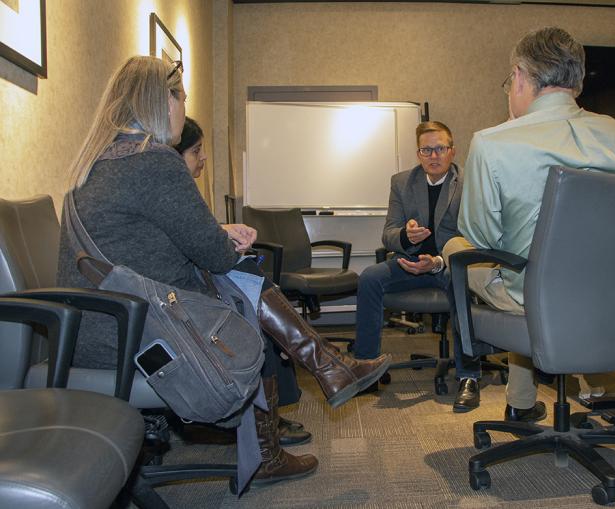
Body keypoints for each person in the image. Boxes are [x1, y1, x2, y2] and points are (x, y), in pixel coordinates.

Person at [57, 56, 390, 486]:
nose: (183, 109)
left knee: (245, 287)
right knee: (247, 293)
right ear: (164, 100)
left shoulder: (95, 165)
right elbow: (216, 256)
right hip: (140, 339)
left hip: (92, 335)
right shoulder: (154, 162)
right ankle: (319, 376)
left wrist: (217, 237)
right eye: (183, 98)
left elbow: (149, 244)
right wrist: (225, 241)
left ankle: (327, 365)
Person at [445, 27, 615, 423]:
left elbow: (482, 236)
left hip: (535, 297)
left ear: (519, 77)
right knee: (528, 265)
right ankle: (520, 399)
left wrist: (507, 129)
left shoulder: (493, 142)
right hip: (612, 293)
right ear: (578, 79)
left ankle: (507, 393)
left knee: (457, 249)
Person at [174, 116, 310, 447]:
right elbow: (212, 255)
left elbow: (193, 240)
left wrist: (221, 230)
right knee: (253, 311)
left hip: (182, 295)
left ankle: (308, 366)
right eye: (196, 151)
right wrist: (221, 236)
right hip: (174, 306)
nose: (203, 158)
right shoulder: (169, 189)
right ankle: (314, 360)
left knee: (252, 292)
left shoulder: (179, 192)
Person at [353, 121, 479, 412]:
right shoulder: (401, 182)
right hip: (409, 263)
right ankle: (366, 368)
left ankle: (468, 376)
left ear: (452, 151)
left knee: (461, 282)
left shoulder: (470, 182)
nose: (433, 156)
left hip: (447, 266)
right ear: (419, 153)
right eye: (426, 150)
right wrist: (405, 237)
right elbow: (388, 232)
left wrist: (437, 261)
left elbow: (475, 235)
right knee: (370, 278)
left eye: (440, 149)